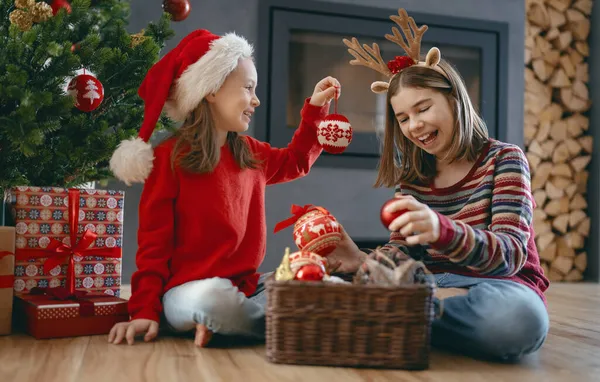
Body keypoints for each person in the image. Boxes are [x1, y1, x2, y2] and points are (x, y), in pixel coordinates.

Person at [327, 8, 550, 362]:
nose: (414, 125)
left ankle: (400, 320)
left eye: (423, 108)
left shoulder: (504, 160)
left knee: (518, 322)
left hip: (497, 288)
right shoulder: (414, 178)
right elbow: (404, 252)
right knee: (334, 286)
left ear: (454, 99)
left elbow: (510, 255)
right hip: (431, 285)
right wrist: (361, 260)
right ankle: (414, 316)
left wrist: (441, 230)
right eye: (403, 118)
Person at [106, 29, 340, 347]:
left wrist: (315, 108)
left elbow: (297, 160)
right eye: (248, 88)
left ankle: (230, 326)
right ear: (211, 90)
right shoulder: (169, 159)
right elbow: (153, 247)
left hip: (247, 288)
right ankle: (282, 323)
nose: (256, 100)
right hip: (187, 294)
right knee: (214, 299)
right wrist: (143, 310)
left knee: (317, 279)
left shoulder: (251, 153)